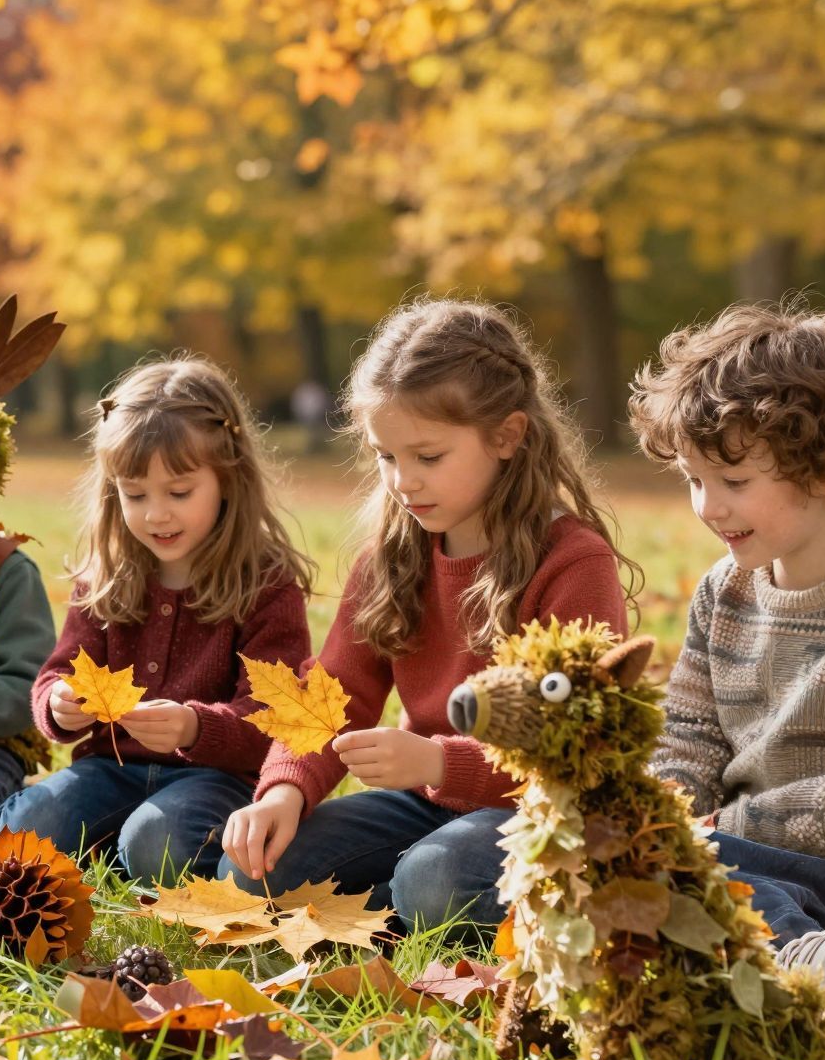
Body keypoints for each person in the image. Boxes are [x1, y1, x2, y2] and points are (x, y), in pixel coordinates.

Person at [221, 298, 634, 921]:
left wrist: (442, 761)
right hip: (427, 804)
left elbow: (581, 742)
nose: (402, 481)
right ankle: (398, 902)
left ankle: (409, 904)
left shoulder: (572, 562)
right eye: (386, 457)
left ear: (507, 436)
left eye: (428, 457)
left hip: (543, 815)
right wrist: (285, 788)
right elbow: (333, 693)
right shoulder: (393, 555)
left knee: (433, 878)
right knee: (252, 871)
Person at [0, 356, 311, 881]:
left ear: (227, 480)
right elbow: (59, 672)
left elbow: (275, 720)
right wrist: (59, 705)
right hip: (108, 768)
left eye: (179, 493)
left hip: (213, 778)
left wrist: (194, 726)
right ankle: (98, 839)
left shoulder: (264, 582)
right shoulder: (108, 574)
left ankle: (122, 847)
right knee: (28, 829)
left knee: (159, 840)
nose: (156, 513)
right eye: (135, 495)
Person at [630, 301, 825, 994]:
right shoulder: (721, 592)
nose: (708, 507)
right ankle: (706, 939)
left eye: (734, 483)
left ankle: (802, 958)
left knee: (670, 873)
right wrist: (658, 814)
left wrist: (710, 831)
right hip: (712, 846)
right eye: (695, 481)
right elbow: (690, 737)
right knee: (467, 859)